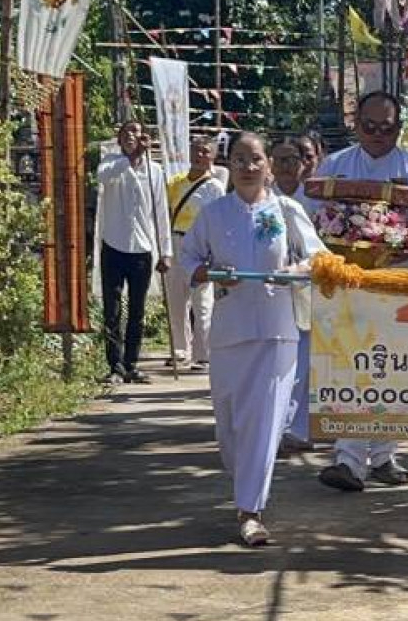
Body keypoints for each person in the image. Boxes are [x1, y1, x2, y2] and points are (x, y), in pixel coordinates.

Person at [184, 134, 323, 547]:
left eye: (255, 159)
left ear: (267, 166)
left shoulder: (286, 210)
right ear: (229, 164)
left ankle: (250, 511)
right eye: (240, 159)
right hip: (230, 332)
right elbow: (189, 259)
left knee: (261, 424)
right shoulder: (212, 213)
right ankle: (244, 480)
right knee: (231, 426)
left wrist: (295, 270)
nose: (248, 167)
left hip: (277, 331)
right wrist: (208, 274)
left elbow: (318, 256)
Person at [317, 91, 408, 494]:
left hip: (398, 279)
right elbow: (310, 220)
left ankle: (384, 455)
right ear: (356, 124)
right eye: (369, 126)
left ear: (399, 128)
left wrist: (404, 248)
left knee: (394, 367)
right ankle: (348, 459)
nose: (377, 134)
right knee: (352, 364)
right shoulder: (335, 165)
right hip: (349, 282)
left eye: (386, 127)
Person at [94, 120, 166, 384]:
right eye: (125, 133)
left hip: (143, 248)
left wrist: (165, 251)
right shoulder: (111, 163)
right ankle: (115, 366)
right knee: (112, 309)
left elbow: (161, 213)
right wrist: (131, 158)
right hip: (113, 245)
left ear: (144, 136)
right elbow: (103, 178)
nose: (131, 136)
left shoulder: (155, 171)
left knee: (137, 309)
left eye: (135, 132)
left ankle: (132, 364)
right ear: (119, 139)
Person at [164, 132, 228, 374]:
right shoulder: (175, 183)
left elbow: (220, 221)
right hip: (176, 240)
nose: (201, 155)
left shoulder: (215, 187)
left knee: (203, 303)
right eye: (197, 150)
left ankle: (203, 354)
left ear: (213, 156)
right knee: (176, 300)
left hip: (202, 246)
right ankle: (180, 350)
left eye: (206, 152)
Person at [272, 135, 318, 454]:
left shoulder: (317, 199)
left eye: (293, 160)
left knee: (306, 362)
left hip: (308, 288)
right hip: (270, 291)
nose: (287, 166)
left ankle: (299, 429)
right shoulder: (261, 200)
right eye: (281, 160)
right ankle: (273, 425)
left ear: (303, 165)